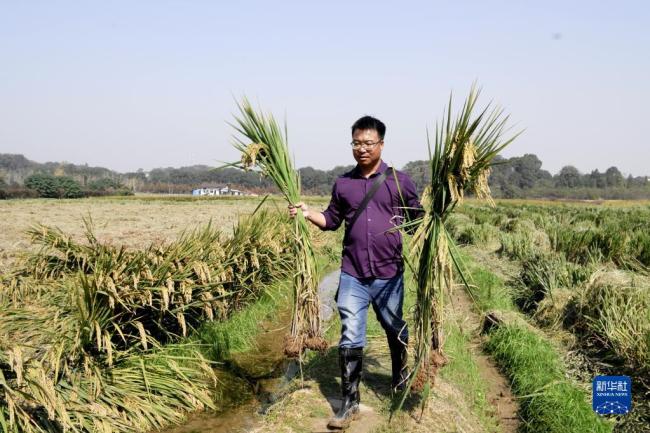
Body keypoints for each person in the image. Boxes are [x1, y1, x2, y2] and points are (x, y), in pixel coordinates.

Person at [289, 116, 422, 429]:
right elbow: (332, 219)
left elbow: (417, 221)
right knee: (350, 331)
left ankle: (400, 377)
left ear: (381, 145)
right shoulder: (344, 184)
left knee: (394, 326)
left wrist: (433, 216)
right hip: (352, 272)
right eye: (356, 143)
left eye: (368, 143)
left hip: (389, 273)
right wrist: (307, 213)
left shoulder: (400, 181)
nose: (362, 148)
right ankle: (350, 403)